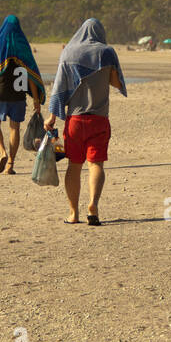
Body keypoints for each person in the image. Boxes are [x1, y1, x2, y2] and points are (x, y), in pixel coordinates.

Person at [43, 19, 126, 225]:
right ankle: (93, 205)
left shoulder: (69, 53)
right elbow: (116, 83)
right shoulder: (107, 52)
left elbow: (58, 87)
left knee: (74, 165)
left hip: (75, 121)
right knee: (96, 164)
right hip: (99, 119)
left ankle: (73, 213)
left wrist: (52, 116)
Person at [0, 15, 45, 175]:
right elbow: (30, 73)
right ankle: (10, 164)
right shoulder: (22, 44)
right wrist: (36, 99)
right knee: (14, 128)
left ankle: (2, 152)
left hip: (0, 92)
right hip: (19, 94)